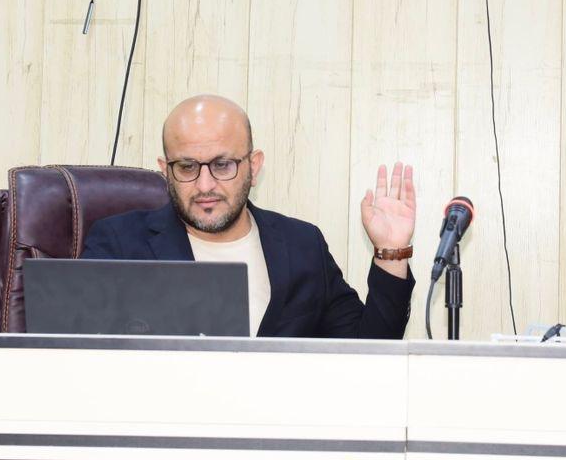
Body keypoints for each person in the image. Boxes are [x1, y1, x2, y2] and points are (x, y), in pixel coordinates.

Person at [81, 93, 417, 338]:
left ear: (253, 167)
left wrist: (392, 252)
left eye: (222, 164)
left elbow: (366, 353)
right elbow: (77, 353)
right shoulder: (120, 243)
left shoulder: (302, 245)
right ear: (165, 170)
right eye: (186, 167)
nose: (205, 185)